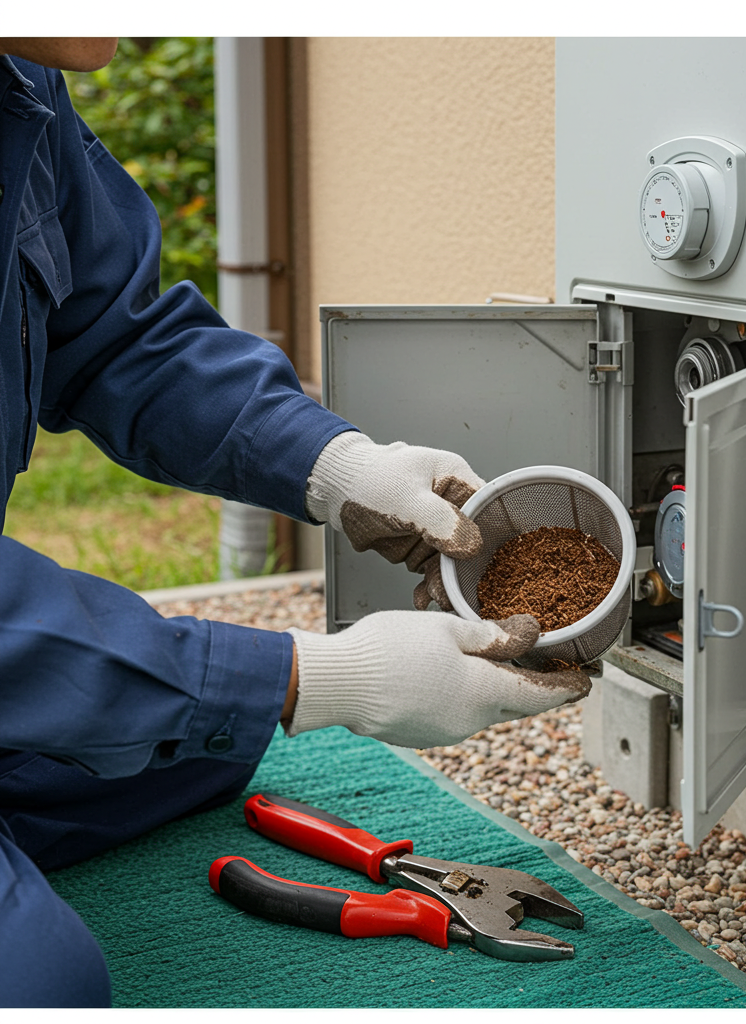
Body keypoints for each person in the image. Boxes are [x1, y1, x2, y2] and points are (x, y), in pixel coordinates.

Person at [0, 39, 591, 1007]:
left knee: (211, 742)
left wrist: (334, 465)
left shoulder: (22, 84)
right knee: (42, 984)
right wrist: (319, 676)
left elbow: (118, 341)